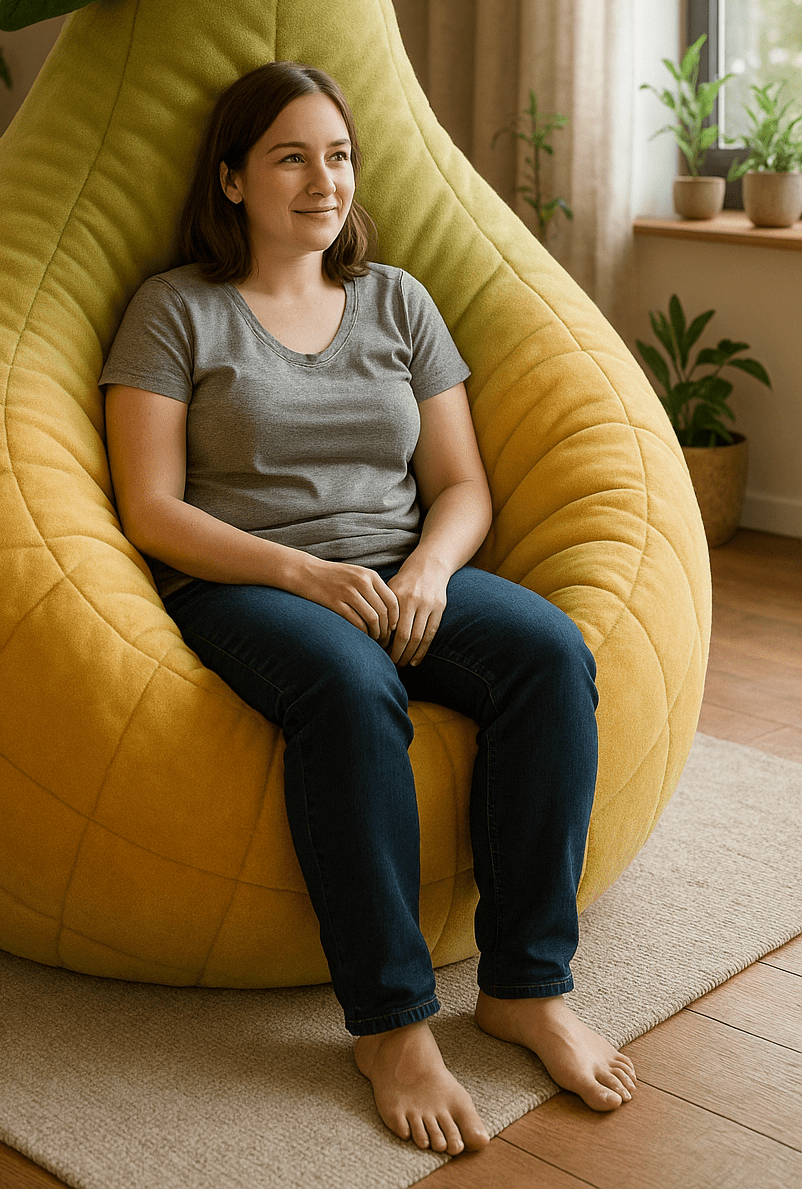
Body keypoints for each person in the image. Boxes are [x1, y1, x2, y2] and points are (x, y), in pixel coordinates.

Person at [100, 61, 636, 1157]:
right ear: (233, 180)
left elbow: (462, 484)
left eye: (337, 155)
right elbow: (149, 508)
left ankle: (525, 988)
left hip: (400, 568)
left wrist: (430, 573)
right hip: (248, 582)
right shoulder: (175, 310)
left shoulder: (397, 300)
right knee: (347, 692)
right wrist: (303, 576)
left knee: (548, 653)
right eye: (290, 156)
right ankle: (391, 1025)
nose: (322, 179)